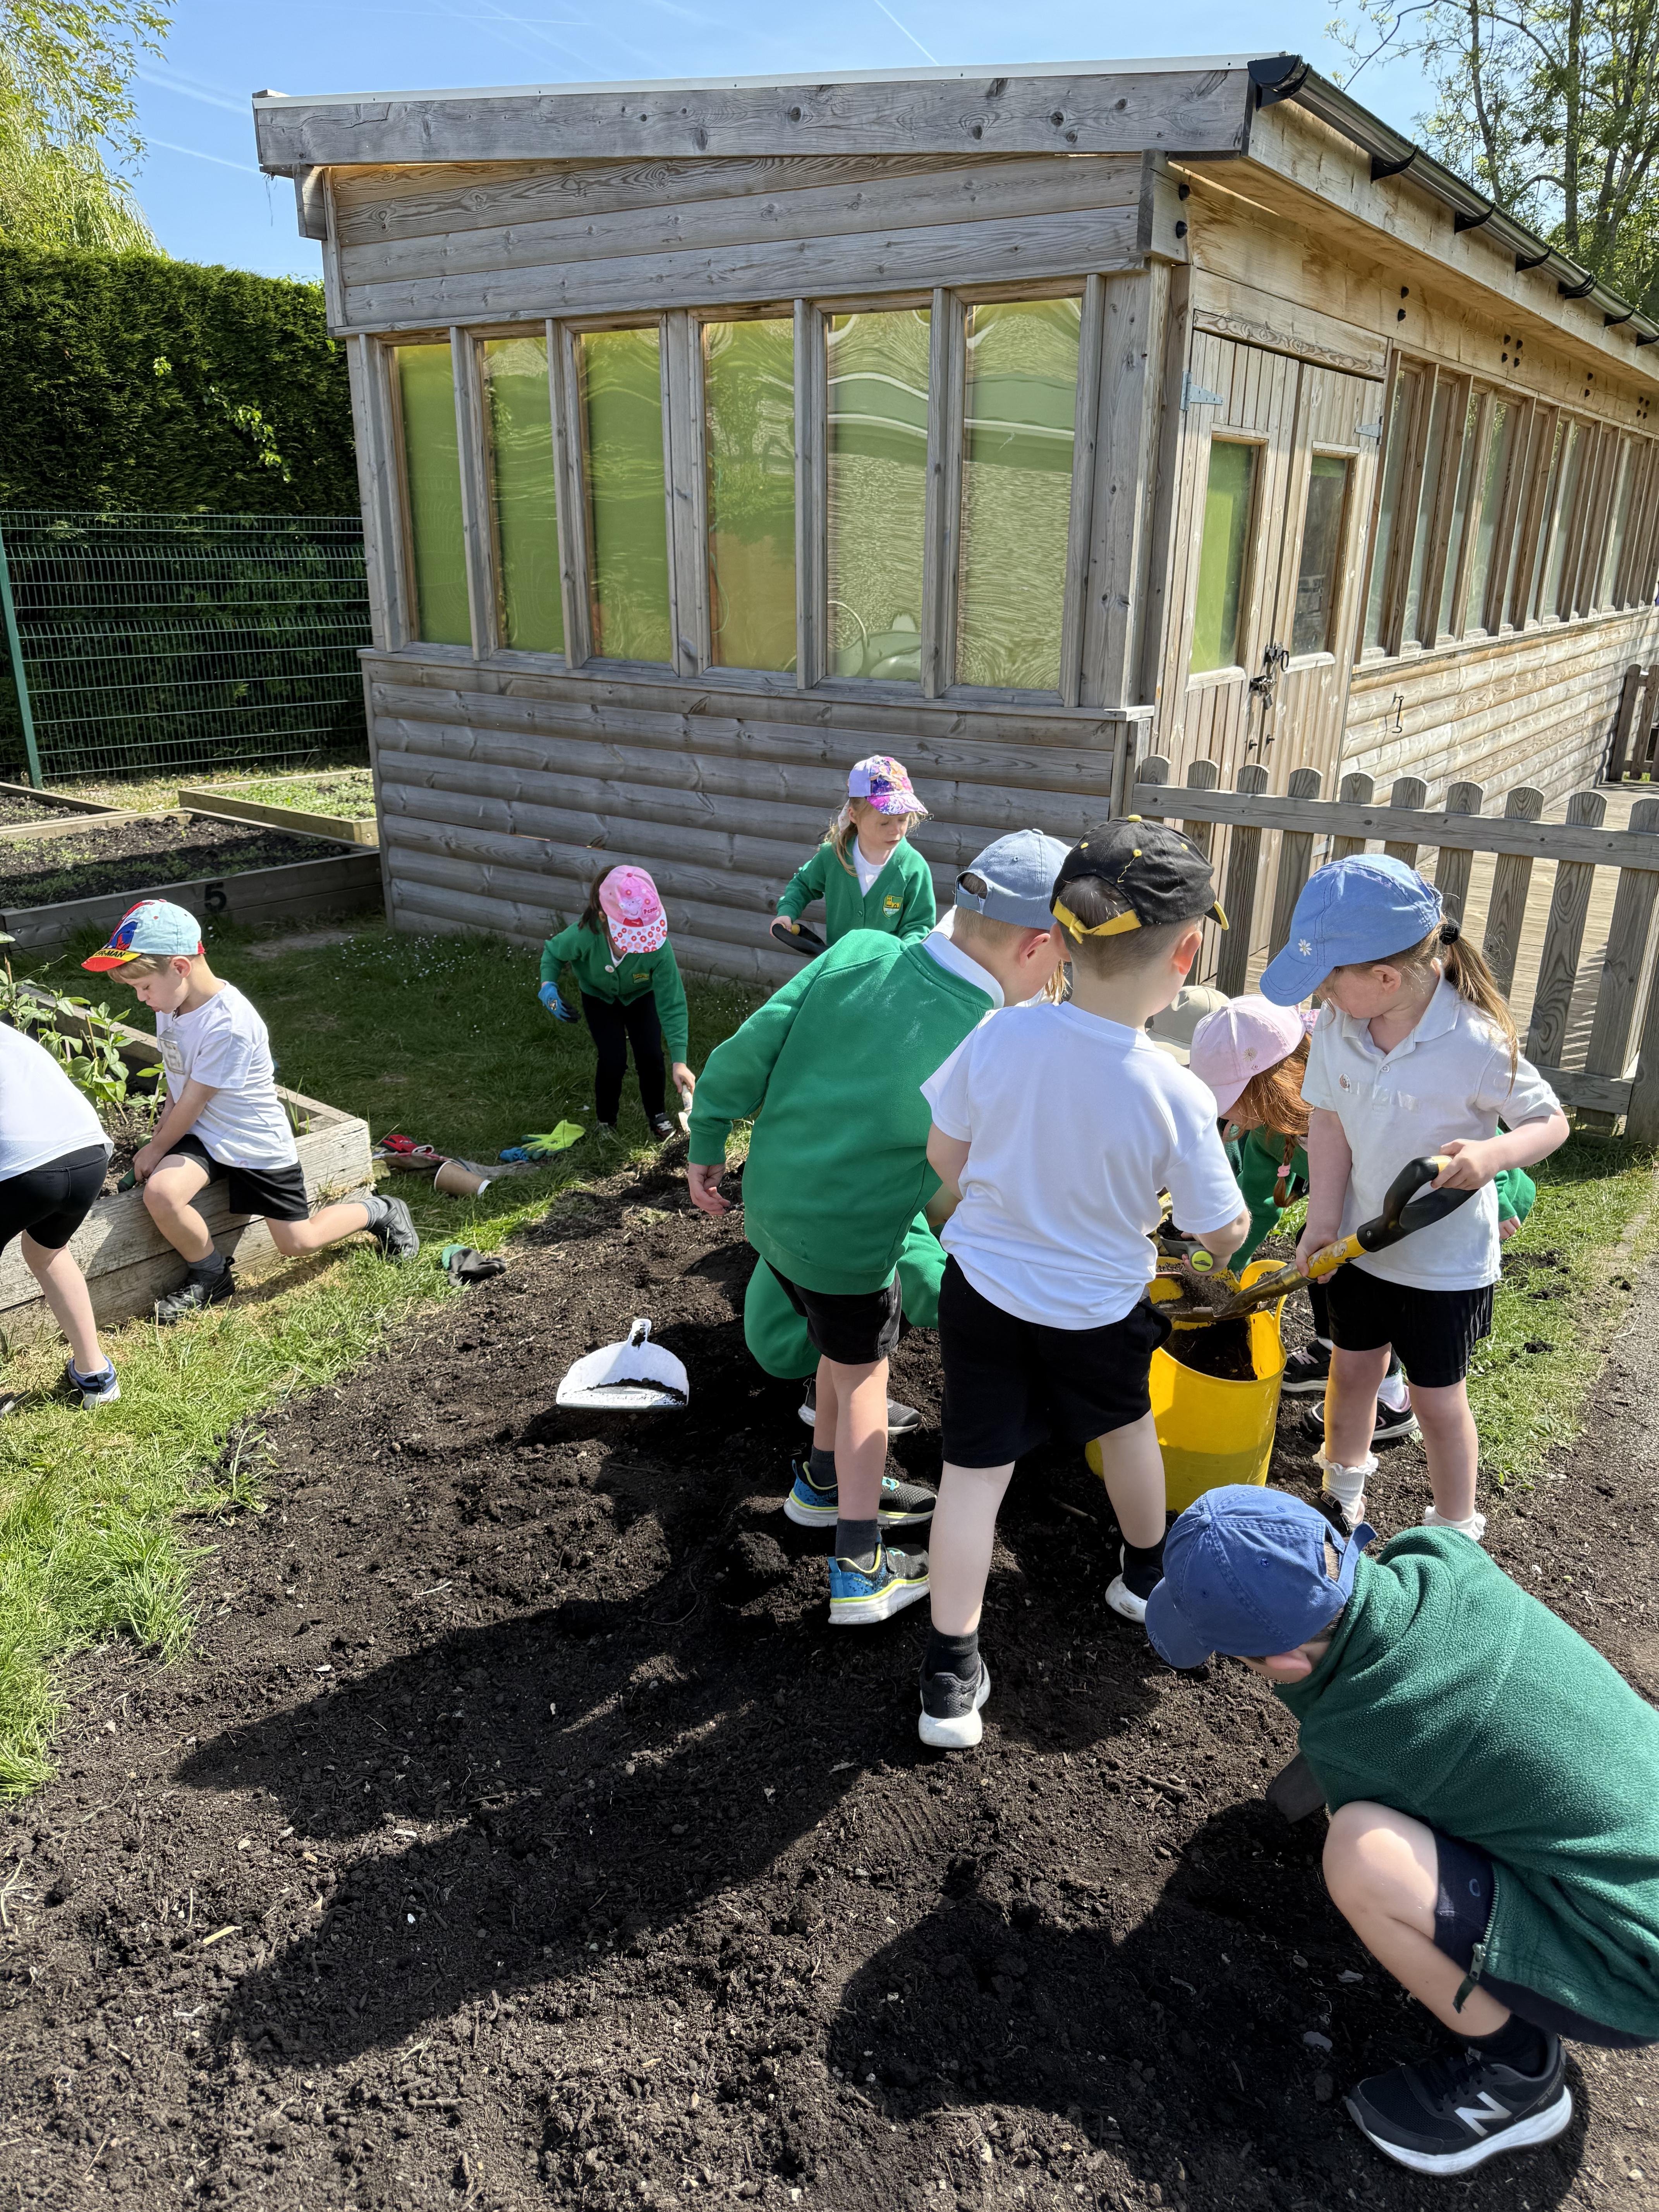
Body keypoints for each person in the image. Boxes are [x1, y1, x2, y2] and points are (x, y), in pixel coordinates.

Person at [1147, 1485, 1659, 2176]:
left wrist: (1337, 1752)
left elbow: (1371, 1739)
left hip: (1629, 1962)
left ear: (1285, 1666)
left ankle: (1517, 2071)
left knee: (1362, 1855)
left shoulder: (1366, 1738)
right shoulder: (1435, 1555)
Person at [915, 821, 1250, 1748]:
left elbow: (945, 1156)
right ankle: (1144, 1576)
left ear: (1058, 940)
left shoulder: (997, 1035)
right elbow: (1223, 1231)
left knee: (973, 1473)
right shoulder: (1176, 1091)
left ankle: (949, 1676)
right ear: (1187, 955)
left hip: (983, 1289)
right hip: (1099, 1310)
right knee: (1126, 1426)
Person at [687, 830, 1070, 1627]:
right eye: (1062, 959)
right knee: (867, 1380)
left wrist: (709, 1136)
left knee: (838, 1351)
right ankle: (860, 1567)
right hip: (850, 1242)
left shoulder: (859, 950)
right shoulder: (988, 1039)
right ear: (1036, 946)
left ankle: (820, 1485)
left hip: (774, 1211)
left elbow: (752, 1044)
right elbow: (979, 1172)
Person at [1259, 856, 1568, 1539]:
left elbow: (1550, 1122)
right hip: (1362, 1245)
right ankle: (1342, 1497)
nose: (1321, 995)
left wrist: (1491, 1156)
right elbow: (1329, 1123)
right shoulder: (1338, 1026)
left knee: (1435, 1401)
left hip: (1444, 1266)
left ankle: (1455, 1531)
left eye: (1328, 979)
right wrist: (1322, 1220)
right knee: (1351, 1374)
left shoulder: (1474, 1041)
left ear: (1384, 977)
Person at [84, 900, 419, 1323]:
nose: (141, 997)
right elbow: (176, 1083)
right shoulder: (170, 1006)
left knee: (297, 1243)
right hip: (203, 1133)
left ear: (181, 968)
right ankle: (211, 1274)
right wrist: (159, 1137)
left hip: (252, 1139)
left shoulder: (229, 1023)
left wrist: (156, 1149)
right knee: (162, 1194)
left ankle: (381, 1211)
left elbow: (194, 1100)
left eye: (144, 987)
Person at [0, 1021, 120, 1406]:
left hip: (28, 1169)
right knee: (47, 1252)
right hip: (88, 1156)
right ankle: (96, 1376)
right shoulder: (9, 1037)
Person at [538, 865, 695, 1143]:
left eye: (642, 936)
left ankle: (658, 1116)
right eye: (630, 937)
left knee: (651, 1057)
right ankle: (606, 1122)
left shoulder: (657, 947)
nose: (638, 945)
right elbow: (553, 953)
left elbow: (672, 1003)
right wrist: (548, 985)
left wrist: (680, 1061)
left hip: (641, 997)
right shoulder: (584, 935)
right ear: (604, 917)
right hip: (599, 998)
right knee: (613, 1060)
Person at [774, 756, 935, 948]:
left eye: (903, 820)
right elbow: (803, 884)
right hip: (839, 964)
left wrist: (906, 952)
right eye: (884, 823)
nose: (896, 830)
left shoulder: (914, 867)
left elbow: (919, 925)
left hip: (887, 967)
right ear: (854, 816)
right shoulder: (834, 856)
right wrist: (787, 912)